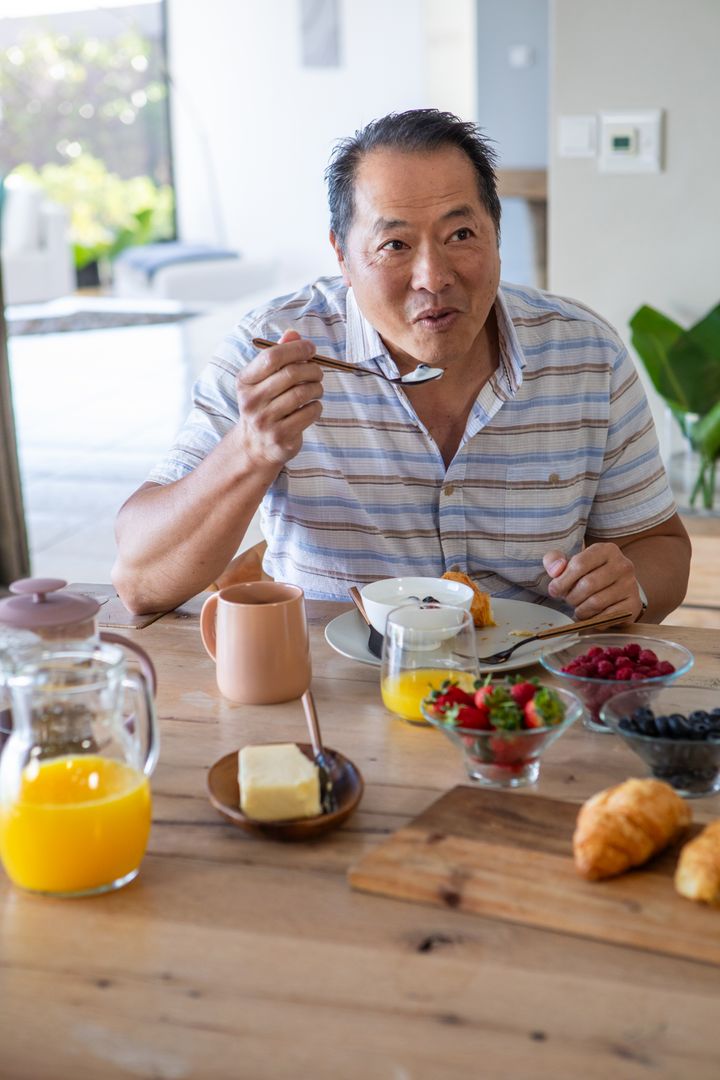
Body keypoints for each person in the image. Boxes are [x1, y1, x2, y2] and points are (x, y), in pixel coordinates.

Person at [113, 109, 691, 621]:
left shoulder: (585, 353)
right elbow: (140, 581)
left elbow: (660, 544)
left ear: (496, 235)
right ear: (342, 255)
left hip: (528, 695)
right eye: (394, 245)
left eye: (460, 234)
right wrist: (249, 449)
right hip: (335, 700)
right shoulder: (273, 349)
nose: (433, 278)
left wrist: (632, 585)